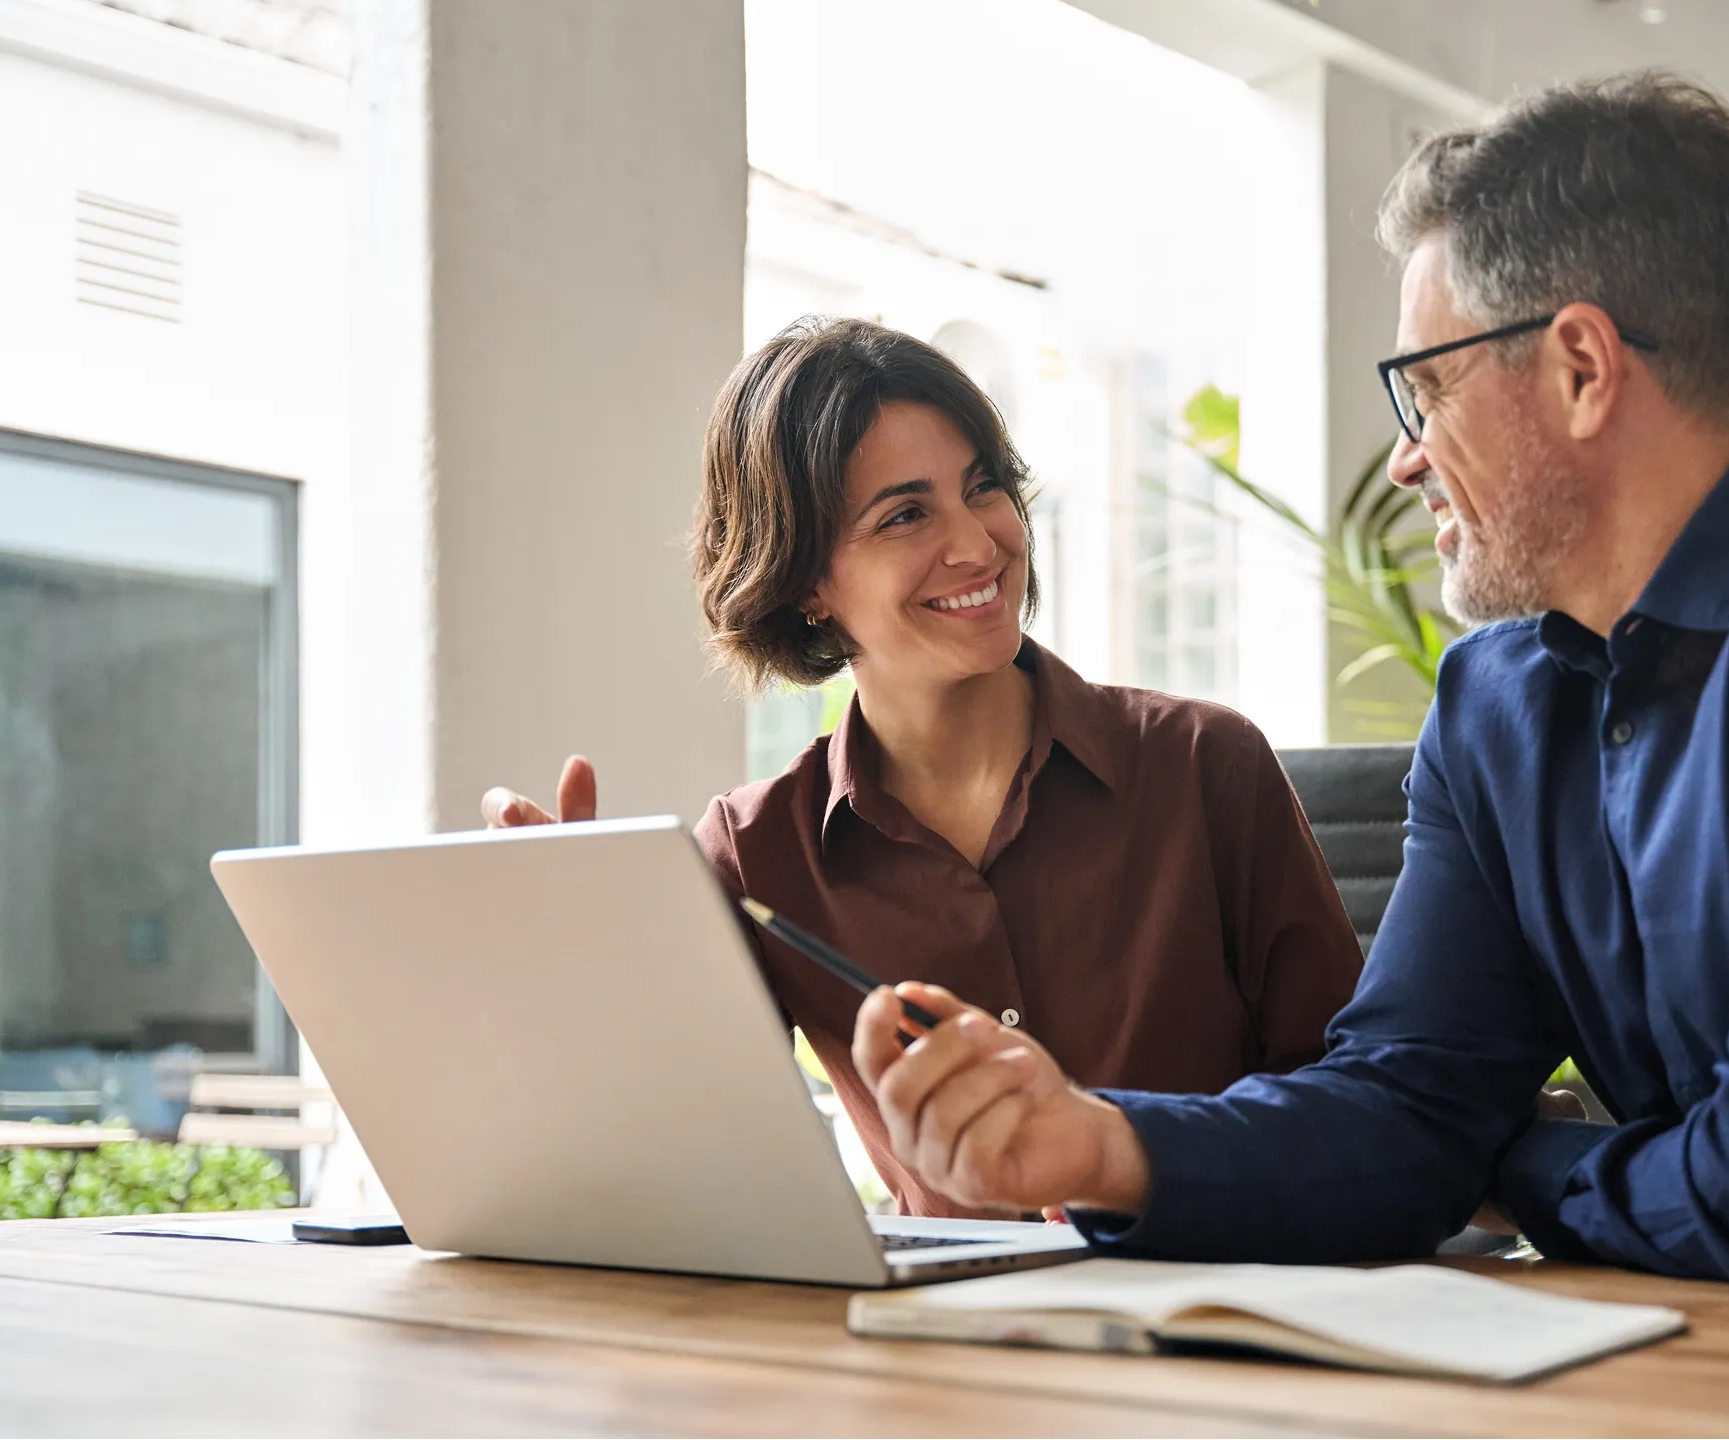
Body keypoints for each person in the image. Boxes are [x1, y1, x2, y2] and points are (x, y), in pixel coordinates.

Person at [847, 74, 1729, 1293]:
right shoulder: (1497, 703)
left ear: (1579, 368)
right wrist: (1092, 1148)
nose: (1404, 462)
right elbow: (1405, 1098)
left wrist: (1495, 1164)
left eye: (1423, 391)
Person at [483, 317, 1363, 1217]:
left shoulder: (1202, 766)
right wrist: (581, 950)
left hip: (1225, 1314)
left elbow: (1359, 1111)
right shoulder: (756, 855)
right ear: (805, 585)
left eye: (983, 489)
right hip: (936, 1344)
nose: (980, 546)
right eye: (905, 514)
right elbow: (676, 1150)